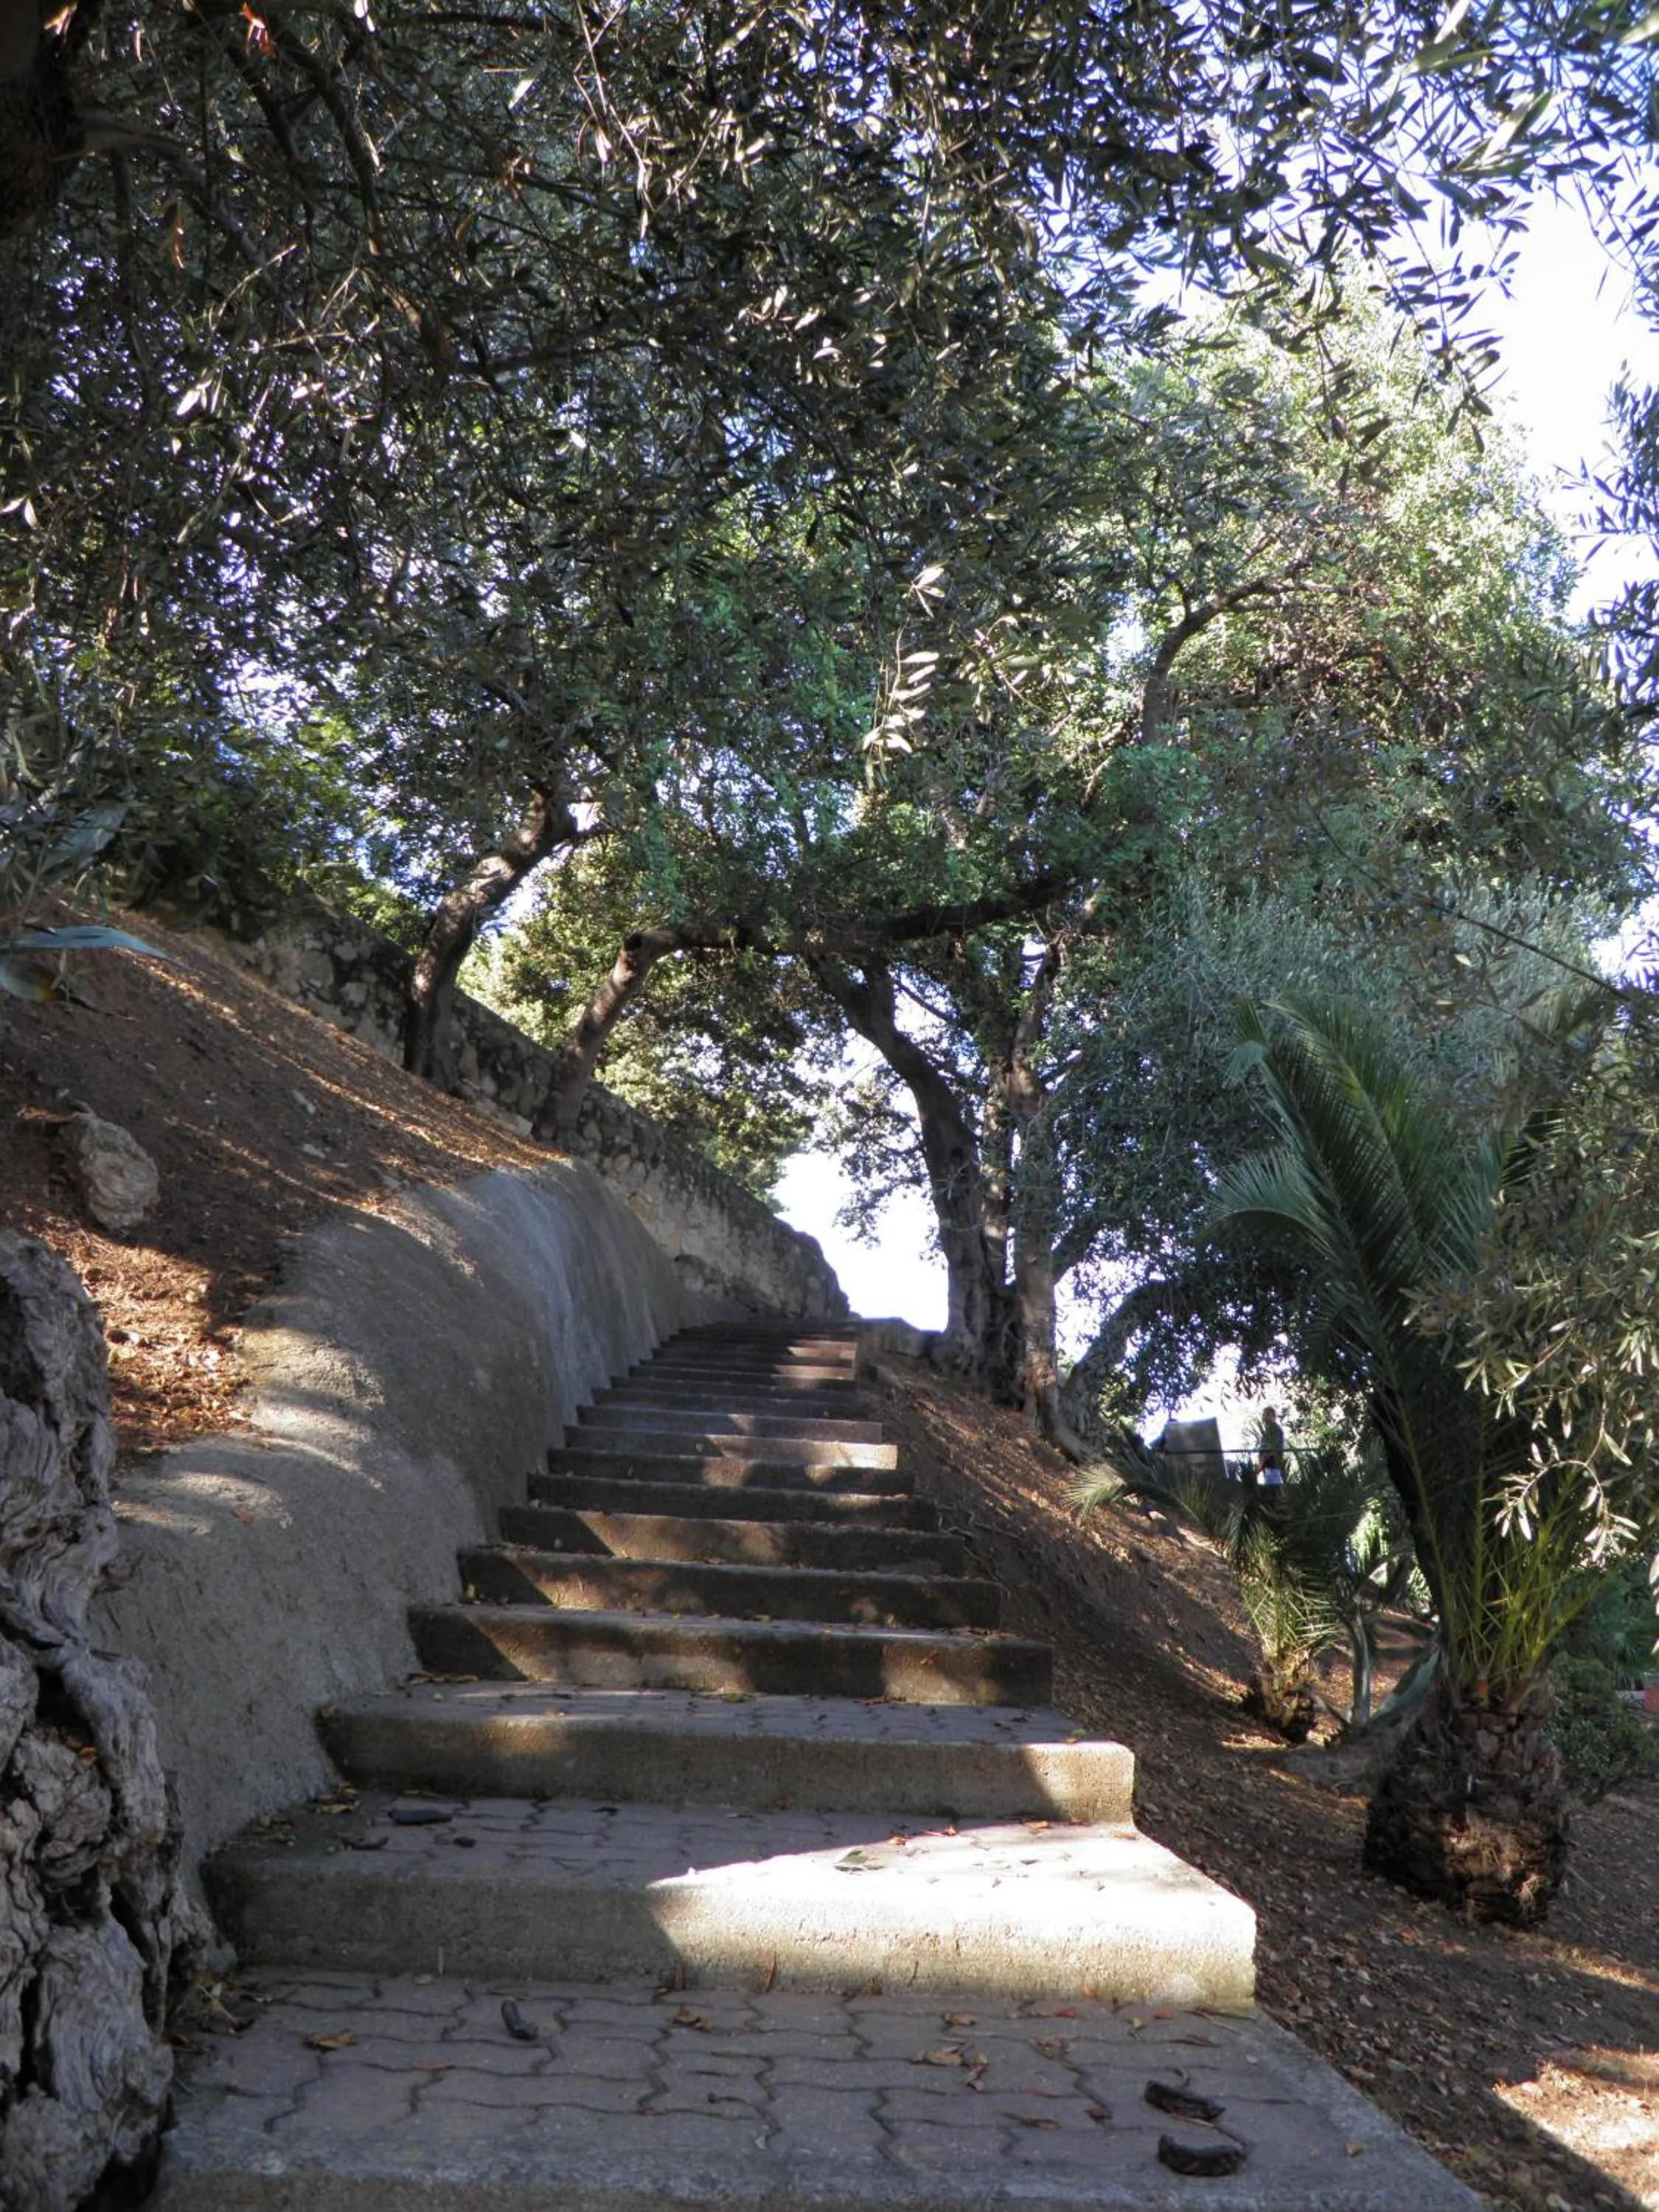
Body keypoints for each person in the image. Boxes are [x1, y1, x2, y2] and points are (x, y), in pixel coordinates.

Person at [1255, 1406, 1285, 1487]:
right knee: (1270, 1486)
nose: (1264, 1417)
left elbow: (1272, 1448)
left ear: (1272, 1416)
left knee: (1273, 1488)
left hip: (1272, 1464)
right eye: (1263, 1415)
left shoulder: (1275, 1429)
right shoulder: (1268, 1430)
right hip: (1268, 1465)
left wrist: (1261, 1463)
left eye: (1266, 1415)